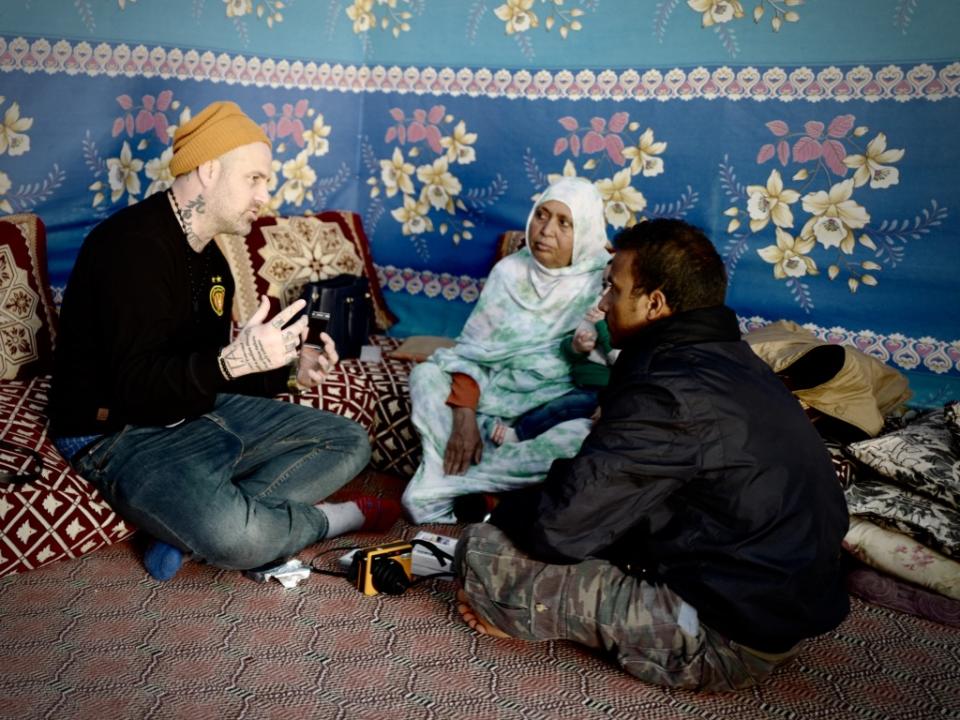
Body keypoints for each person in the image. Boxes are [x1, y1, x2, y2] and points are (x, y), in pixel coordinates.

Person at [453, 219, 850, 691]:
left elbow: (558, 528)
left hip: (724, 637)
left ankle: (534, 616)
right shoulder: (729, 361)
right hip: (771, 601)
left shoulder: (669, 390)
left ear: (655, 303)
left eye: (613, 289)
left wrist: (507, 518)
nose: (602, 304)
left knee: (482, 551)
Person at [49, 100, 397, 582]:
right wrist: (234, 363)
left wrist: (289, 371)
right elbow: (137, 389)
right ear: (209, 170)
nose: (264, 196)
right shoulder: (129, 248)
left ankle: (181, 528)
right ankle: (334, 518)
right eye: (254, 179)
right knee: (239, 536)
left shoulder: (214, 262)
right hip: (116, 431)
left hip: (192, 409)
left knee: (348, 440)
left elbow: (208, 372)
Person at [402, 177, 610, 524]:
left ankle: (443, 488)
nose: (545, 231)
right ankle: (479, 489)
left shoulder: (603, 281)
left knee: (579, 439)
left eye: (564, 223)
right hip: (492, 399)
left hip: (550, 410)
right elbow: (472, 353)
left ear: (586, 231)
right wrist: (464, 416)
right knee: (425, 375)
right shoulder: (510, 271)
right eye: (541, 215)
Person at [490, 295, 618, 446]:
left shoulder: (618, 324)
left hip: (601, 393)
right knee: (544, 399)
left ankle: (519, 434)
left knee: (561, 408)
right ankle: (512, 419)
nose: (606, 293)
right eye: (604, 284)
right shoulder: (597, 309)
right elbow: (569, 344)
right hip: (580, 385)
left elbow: (618, 358)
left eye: (613, 287)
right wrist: (576, 347)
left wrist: (601, 326)